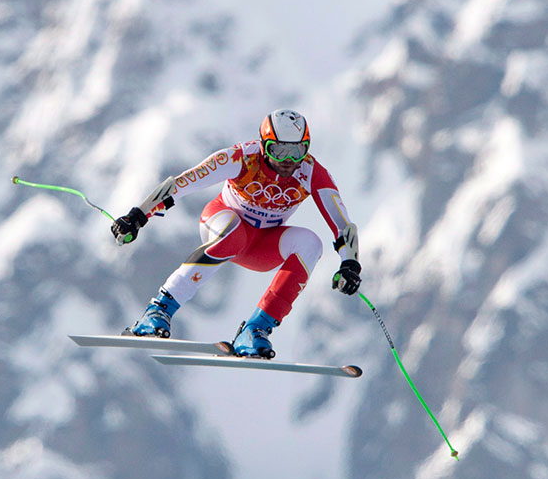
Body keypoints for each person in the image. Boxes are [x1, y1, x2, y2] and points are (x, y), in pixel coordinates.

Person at [111, 109, 362, 359]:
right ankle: (158, 310)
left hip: (262, 245)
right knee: (234, 233)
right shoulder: (243, 158)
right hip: (221, 224)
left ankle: (256, 329)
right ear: (264, 146)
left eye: (298, 151)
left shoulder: (310, 171)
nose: (289, 160)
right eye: (279, 150)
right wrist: (138, 216)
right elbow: (184, 182)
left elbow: (342, 223)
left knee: (311, 243)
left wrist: (350, 264)